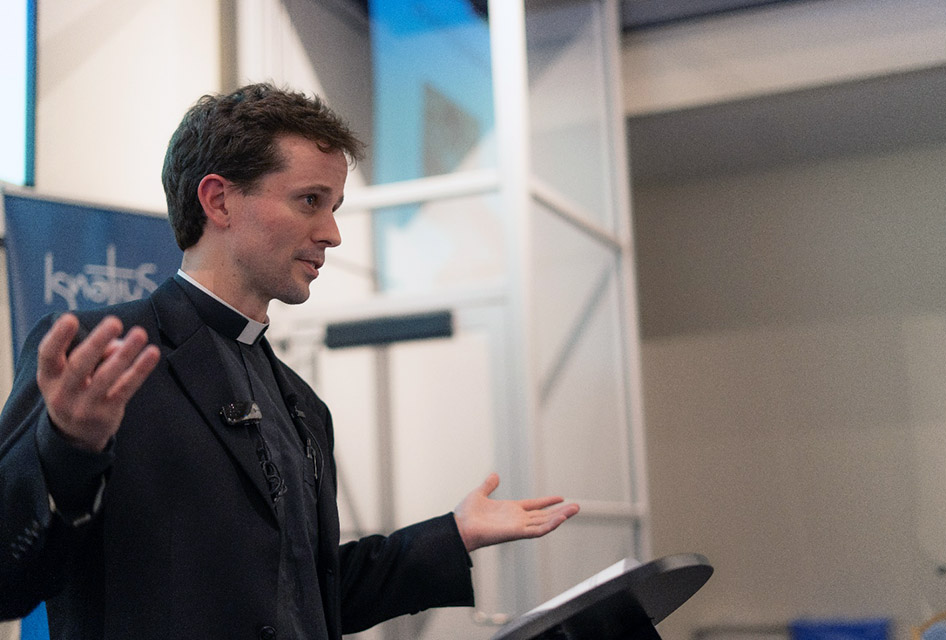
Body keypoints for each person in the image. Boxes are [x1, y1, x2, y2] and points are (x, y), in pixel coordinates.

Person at [0, 83, 579, 639]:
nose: (332, 233)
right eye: (310, 201)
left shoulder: (303, 404)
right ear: (218, 200)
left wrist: (451, 536)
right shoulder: (103, 358)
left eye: (334, 207)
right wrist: (66, 448)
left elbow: (304, 598)